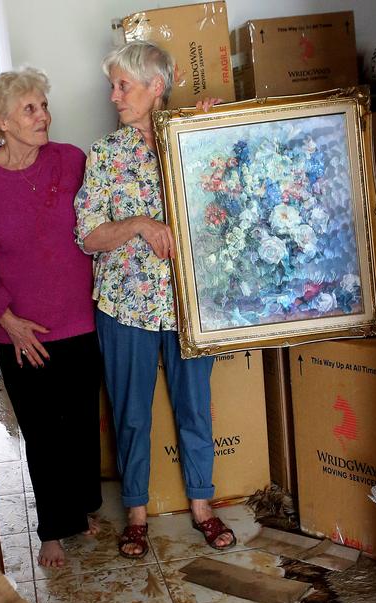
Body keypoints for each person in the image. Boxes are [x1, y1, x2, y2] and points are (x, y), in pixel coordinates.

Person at [74, 41, 235, 559]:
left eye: (124, 85)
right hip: (126, 306)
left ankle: (202, 509)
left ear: (155, 87)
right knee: (131, 414)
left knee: (194, 410)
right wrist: (140, 225)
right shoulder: (106, 155)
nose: (114, 95)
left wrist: (216, 134)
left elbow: (233, 201)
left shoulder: (192, 137)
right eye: (114, 85)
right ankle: (137, 515)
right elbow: (88, 235)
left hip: (189, 306)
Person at [0, 68, 102, 568]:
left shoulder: (72, 160)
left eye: (44, 105)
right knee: (43, 430)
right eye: (30, 109)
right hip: (21, 331)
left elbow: (115, 198)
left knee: (82, 423)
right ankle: (53, 531)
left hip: (81, 321)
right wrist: (9, 320)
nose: (43, 116)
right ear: (2, 122)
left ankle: (82, 509)